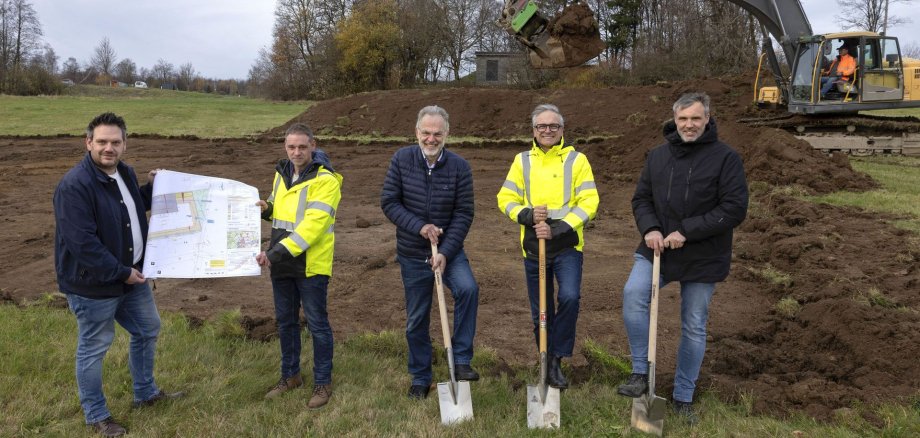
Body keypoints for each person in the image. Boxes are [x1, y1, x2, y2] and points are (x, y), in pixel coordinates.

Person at [616, 92, 749, 424]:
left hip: (703, 252)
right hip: (658, 246)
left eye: (696, 119)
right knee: (634, 294)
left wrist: (686, 231)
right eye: (683, 119)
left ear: (707, 119)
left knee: (693, 324)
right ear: (674, 120)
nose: (689, 125)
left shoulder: (726, 158)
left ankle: (683, 396)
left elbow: (734, 208)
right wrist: (650, 229)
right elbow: (641, 198)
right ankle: (639, 373)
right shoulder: (657, 157)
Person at [54, 112, 183, 437]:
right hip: (94, 285)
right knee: (94, 347)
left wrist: (154, 188)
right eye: (101, 142)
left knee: (147, 329)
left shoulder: (123, 172)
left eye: (115, 142)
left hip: (130, 277)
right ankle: (97, 416)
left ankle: (146, 393)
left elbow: (132, 207)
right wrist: (122, 272)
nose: (108, 148)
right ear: (88, 143)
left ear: (124, 144)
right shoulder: (75, 186)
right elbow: (83, 244)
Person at [496, 104, 599, 389]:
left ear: (562, 130)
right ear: (534, 130)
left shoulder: (577, 160)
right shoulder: (522, 160)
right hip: (532, 246)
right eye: (542, 126)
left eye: (553, 126)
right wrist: (527, 215)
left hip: (567, 246)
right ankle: (545, 358)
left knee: (569, 298)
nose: (547, 131)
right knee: (540, 310)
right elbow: (505, 198)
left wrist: (559, 228)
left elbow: (590, 202)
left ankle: (556, 358)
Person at [381, 105, 480, 400]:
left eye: (437, 133)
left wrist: (446, 252)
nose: (431, 138)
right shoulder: (401, 160)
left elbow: (464, 213)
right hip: (413, 252)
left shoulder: (460, 167)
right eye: (426, 132)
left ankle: (461, 360)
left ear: (446, 134)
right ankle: (421, 376)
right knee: (416, 318)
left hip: (449, 252)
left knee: (468, 289)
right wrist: (420, 226)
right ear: (417, 132)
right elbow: (389, 202)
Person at [256, 123, 342, 410]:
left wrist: (275, 253)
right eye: (291, 147)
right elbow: (279, 210)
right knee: (286, 322)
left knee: (317, 325)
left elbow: (313, 227)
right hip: (282, 264)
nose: (296, 152)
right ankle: (290, 376)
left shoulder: (326, 180)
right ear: (285, 146)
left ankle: (322, 383)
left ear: (313, 146)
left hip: (310, 265)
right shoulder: (281, 174)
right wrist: (265, 209)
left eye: (302, 147)